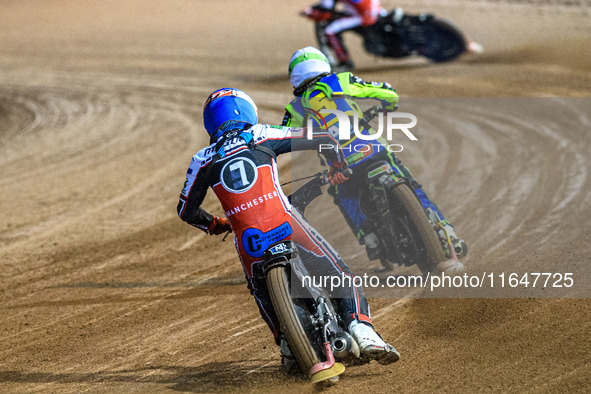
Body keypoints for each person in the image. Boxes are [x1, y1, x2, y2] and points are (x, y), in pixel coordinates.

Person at [177, 88, 399, 373]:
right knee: (339, 274)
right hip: (285, 224)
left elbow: (186, 211)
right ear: (247, 111)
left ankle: (287, 346)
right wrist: (336, 165)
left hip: (249, 242)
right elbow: (322, 138)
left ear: (210, 122)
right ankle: (362, 330)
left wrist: (214, 224)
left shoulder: (202, 160)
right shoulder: (261, 134)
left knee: (260, 290)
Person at [282, 47, 467, 273]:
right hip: (374, 150)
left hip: (342, 165)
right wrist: (389, 103)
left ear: (295, 77)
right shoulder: (340, 81)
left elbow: (282, 139)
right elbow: (384, 91)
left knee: (343, 195)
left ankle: (370, 239)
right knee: (412, 184)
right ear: (324, 64)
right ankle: (446, 232)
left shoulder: (294, 108)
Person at [304, 0, 383, 70]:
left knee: (330, 30)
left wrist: (310, 12)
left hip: (364, 16)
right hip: (375, 11)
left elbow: (326, 8)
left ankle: (345, 62)